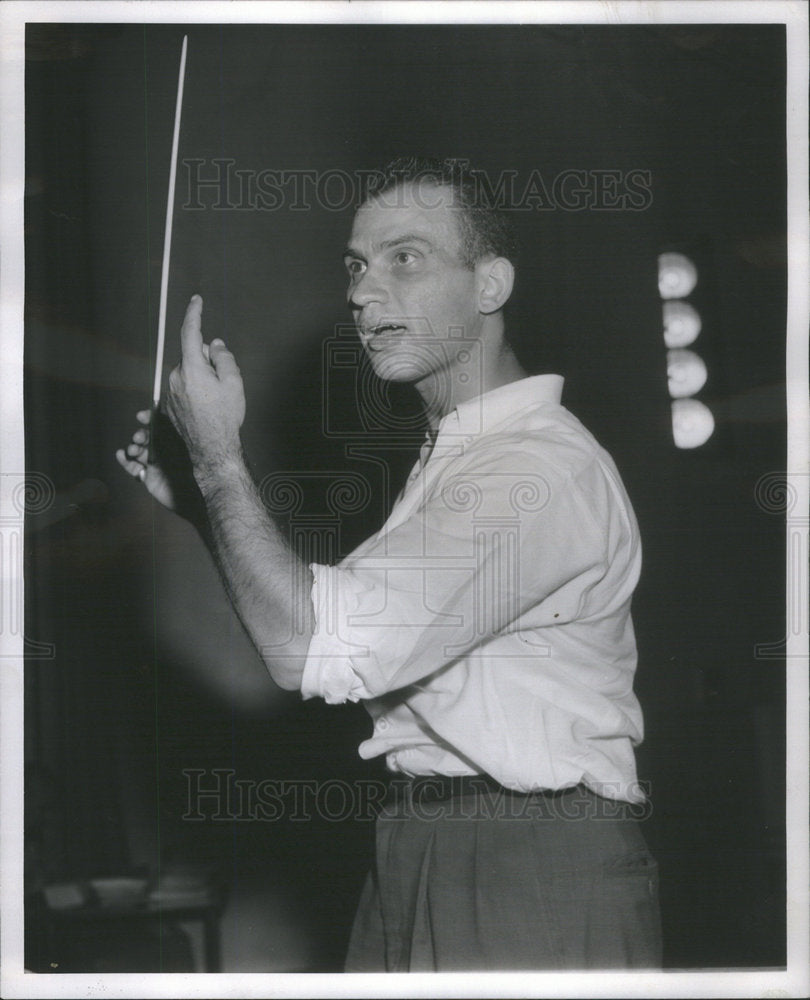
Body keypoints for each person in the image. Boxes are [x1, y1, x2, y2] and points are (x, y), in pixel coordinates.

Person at [117, 157, 662, 971]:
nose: (363, 292)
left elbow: (313, 649)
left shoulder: (534, 469)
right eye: (356, 266)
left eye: (405, 257)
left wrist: (220, 464)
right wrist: (204, 497)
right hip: (424, 840)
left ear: (490, 285)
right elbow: (315, 624)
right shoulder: (455, 462)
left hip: (529, 857)